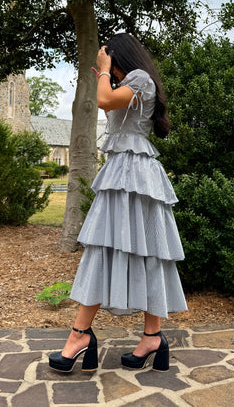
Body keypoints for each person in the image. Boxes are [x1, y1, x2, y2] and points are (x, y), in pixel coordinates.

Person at [49, 32, 187, 373]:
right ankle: (136, 337)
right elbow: (110, 103)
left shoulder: (141, 79)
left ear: (118, 55)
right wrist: (107, 75)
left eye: (107, 55)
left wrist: (104, 71)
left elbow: (105, 102)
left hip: (134, 174)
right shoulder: (132, 81)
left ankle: (87, 335)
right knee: (111, 248)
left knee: (142, 251)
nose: (103, 61)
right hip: (124, 172)